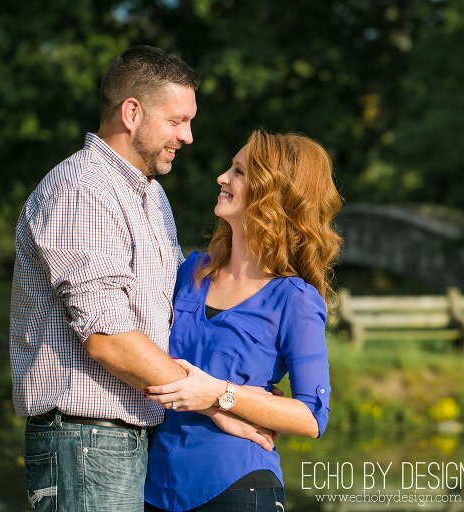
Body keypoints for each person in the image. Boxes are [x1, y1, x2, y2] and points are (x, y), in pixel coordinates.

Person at [10, 46, 273, 512]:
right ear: (132, 113)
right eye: (177, 121)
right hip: (84, 440)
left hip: (126, 439)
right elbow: (108, 339)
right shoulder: (82, 190)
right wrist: (217, 403)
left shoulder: (150, 197)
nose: (188, 137)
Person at [142, 129, 343, 512]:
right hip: (154, 487)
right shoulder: (190, 272)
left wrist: (221, 394)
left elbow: (312, 416)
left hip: (238, 489)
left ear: (271, 195)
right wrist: (220, 402)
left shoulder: (295, 298)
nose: (222, 177)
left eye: (238, 172)